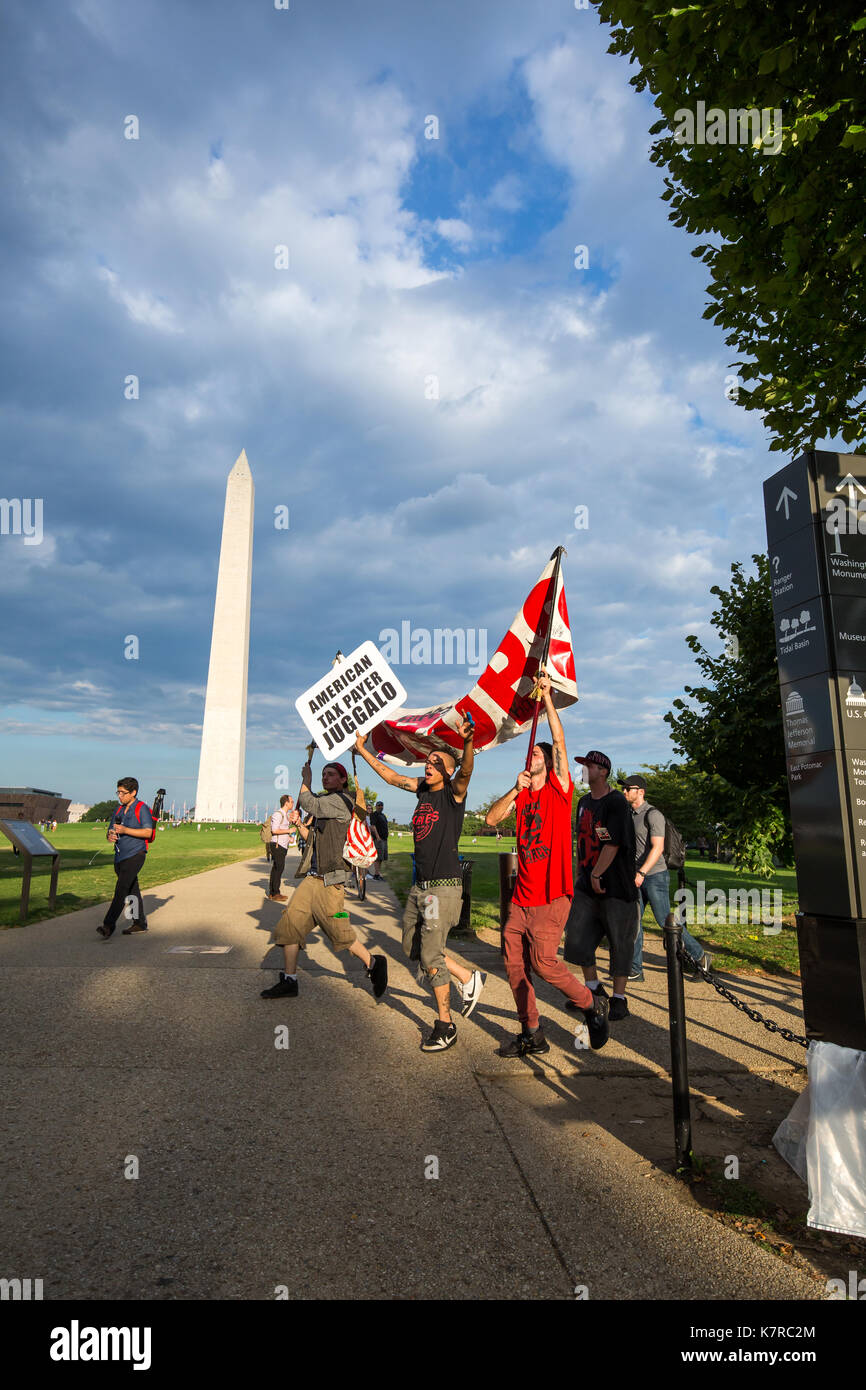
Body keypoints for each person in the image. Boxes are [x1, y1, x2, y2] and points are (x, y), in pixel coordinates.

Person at [485, 670, 609, 1056]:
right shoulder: (522, 796)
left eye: (536, 754)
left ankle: (591, 1003)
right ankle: (532, 1031)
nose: (532, 756)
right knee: (514, 963)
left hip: (552, 894)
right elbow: (492, 819)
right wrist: (514, 787)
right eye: (531, 755)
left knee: (544, 962)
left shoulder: (560, 789)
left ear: (549, 762)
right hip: (521, 897)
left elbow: (558, 739)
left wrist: (548, 699)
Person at [354, 717, 483, 1052]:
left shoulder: (453, 795)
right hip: (421, 886)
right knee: (412, 947)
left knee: (430, 956)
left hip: (443, 885)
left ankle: (445, 1025)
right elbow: (392, 776)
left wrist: (468, 743)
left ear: (449, 772)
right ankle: (468, 978)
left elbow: (466, 772)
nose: (430, 765)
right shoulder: (423, 791)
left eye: (437, 763)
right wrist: (363, 750)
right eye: (428, 761)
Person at [259, 759, 387, 1000]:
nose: (325, 777)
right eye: (322, 774)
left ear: (342, 779)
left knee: (338, 929)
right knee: (290, 925)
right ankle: (289, 980)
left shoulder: (341, 801)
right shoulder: (327, 803)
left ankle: (373, 963)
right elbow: (313, 839)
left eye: (330, 774)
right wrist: (298, 824)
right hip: (313, 878)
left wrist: (305, 779)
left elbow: (310, 803)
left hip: (332, 881)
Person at [563, 751, 640, 1022]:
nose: (584, 770)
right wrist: (582, 876)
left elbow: (613, 842)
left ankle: (619, 1000)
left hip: (616, 886)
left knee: (620, 943)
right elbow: (582, 840)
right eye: (583, 766)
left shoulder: (616, 801)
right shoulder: (583, 802)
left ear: (604, 771)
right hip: (586, 884)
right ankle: (594, 990)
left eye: (589, 766)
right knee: (577, 939)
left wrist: (597, 874)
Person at [621, 776, 712, 977]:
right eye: (623, 788)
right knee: (633, 922)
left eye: (628, 788)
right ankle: (635, 969)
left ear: (641, 791)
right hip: (635, 876)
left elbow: (658, 847)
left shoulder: (652, 814)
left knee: (665, 921)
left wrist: (642, 872)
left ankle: (700, 956)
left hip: (654, 876)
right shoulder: (630, 814)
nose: (625, 791)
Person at [96, 778, 153, 939]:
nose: (120, 796)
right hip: (120, 855)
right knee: (131, 890)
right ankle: (139, 923)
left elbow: (147, 832)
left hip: (136, 854)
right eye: (118, 792)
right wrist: (110, 835)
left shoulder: (142, 808)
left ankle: (108, 925)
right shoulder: (118, 809)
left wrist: (126, 830)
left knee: (121, 889)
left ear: (133, 792)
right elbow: (110, 830)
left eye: (123, 793)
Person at [267, 794, 294, 902]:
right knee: (279, 868)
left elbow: (281, 831)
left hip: (282, 845)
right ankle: (275, 893)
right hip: (277, 845)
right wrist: (289, 831)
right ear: (286, 803)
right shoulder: (278, 814)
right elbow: (274, 830)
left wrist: (289, 838)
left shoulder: (285, 815)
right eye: (291, 801)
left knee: (276, 868)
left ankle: (272, 892)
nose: (292, 803)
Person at [370, 802, 389, 880]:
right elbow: (373, 826)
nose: (380, 807)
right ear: (376, 806)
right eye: (379, 805)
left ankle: (378, 873)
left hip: (384, 839)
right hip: (378, 839)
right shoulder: (374, 815)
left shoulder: (383, 815)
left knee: (381, 857)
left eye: (381, 805)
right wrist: (377, 837)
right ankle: (376, 874)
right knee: (378, 857)